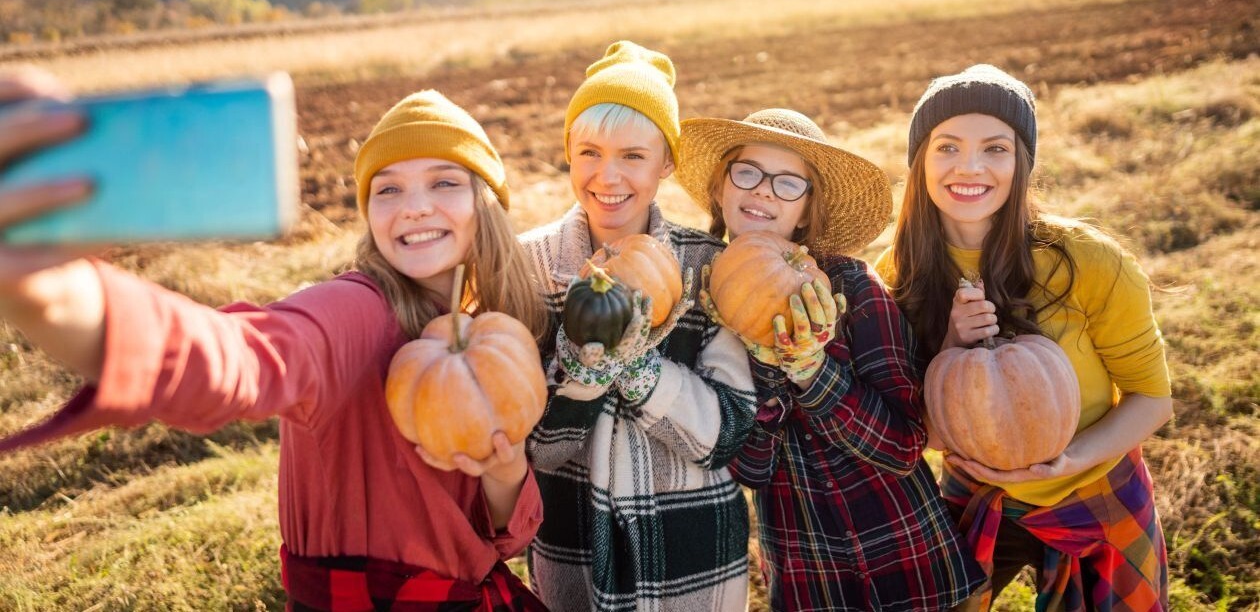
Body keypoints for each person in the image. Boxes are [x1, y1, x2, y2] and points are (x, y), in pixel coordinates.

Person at [0, 70, 550, 611]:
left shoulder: (488, 325)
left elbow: (502, 535)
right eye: (388, 189)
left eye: (445, 181)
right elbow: (240, 356)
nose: (414, 206)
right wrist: (56, 294)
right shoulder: (353, 311)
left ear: (486, 201)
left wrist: (505, 472)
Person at [874, 64, 1174, 611]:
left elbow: (1153, 398)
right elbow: (924, 435)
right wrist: (949, 349)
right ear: (920, 161)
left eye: (995, 148)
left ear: (1022, 162)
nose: (969, 167)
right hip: (978, 494)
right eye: (947, 147)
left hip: (1096, 488)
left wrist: (1070, 459)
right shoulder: (895, 277)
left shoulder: (1087, 261)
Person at [678, 108, 986, 610]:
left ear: (808, 208)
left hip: (911, 561)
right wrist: (770, 369)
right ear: (720, 187)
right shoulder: (704, 312)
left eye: (787, 184)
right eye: (748, 172)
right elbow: (750, 469)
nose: (762, 192)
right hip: (810, 575)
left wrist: (813, 370)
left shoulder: (853, 288)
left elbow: (905, 446)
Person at [518, 41, 756, 611]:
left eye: (632, 155)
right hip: (574, 552)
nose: (607, 176)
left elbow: (727, 435)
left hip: (692, 559)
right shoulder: (529, 266)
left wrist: (639, 368)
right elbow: (535, 451)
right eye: (589, 152)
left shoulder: (708, 266)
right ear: (569, 155)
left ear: (666, 163)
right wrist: (587, 362)